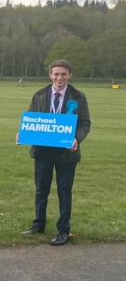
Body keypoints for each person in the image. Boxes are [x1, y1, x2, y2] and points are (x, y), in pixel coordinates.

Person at [19, 59, 91, 246]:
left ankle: (63, 230)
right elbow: (32, 119)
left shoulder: (79, 97)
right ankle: (38, 225)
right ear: (50, 75)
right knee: (41, 190)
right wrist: (23, 133)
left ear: (70, 75)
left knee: (64, 191)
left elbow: (84, 123)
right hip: (43, 151)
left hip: (66, 153)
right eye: (56, 74)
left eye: (63, 74)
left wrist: (76, 138)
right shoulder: (39, 95)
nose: (59, 77)